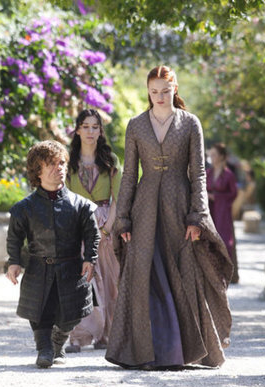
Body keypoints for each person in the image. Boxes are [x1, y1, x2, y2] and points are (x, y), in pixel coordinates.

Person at [106, 65, 233, 370]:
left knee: (184, 273)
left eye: (165, 90)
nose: (160, 97)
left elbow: (198, 172)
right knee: (143, 274)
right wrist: (122, 219)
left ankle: (182, 351)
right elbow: (129, 175)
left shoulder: (190, 123)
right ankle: (145, 352)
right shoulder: (136, 125)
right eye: (154, 92)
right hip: (144, 207)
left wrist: (197, 216)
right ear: (148, 92)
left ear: (175, 88)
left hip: (179, 205)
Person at [5, 140, 100, 369]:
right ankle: (44, 349)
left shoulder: (81, 205)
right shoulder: (24, 208)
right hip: (38, 269)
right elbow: (15, 237)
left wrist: (90, 258)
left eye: (62, 163)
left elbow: (92, 234)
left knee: (73, 314)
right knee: (39, 313)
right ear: (38, 171)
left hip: (72, 268)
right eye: (52, 164)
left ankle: (58, 342)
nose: (59, 168)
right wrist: (14, 262)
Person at [64, 109, 122, 353]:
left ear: (100, 131)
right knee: (82, 280)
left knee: (109, 281)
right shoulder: (68, 161)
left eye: (95, 127)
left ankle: (106, 335)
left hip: (106, 224)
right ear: (77, 130)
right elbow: (64, 198)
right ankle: (79, 336)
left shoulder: (111, 160)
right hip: (78, 224)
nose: (90, 131)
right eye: (85, 126)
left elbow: (118, 198)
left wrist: (107, 229)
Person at [207, 143, 240, 283]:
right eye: (210, 155)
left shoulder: (228, 175)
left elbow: (233, 194)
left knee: (225, 241)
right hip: (209, 211)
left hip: (222, 212)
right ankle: (211, 274)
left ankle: (226, 273)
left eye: (214, 154)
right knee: (208, 241)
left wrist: (217, 197)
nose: (212, 157)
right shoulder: (207, 173)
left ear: (221, 156)